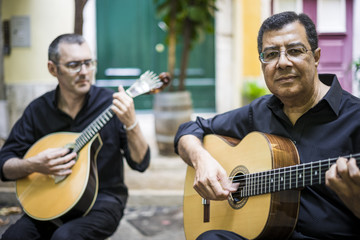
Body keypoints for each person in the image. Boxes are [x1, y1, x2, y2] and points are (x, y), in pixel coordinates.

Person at [174, 11, 360, 240]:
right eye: (271, 54)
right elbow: (189, 130)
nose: (282, 62)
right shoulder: (259, 111)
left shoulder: (355, 119)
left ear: (316, 57)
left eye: (294, 51)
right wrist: (201, 160)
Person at [0, 33, 151, 240]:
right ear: (53, 69)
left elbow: (141, 163)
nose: (85, 72)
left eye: (89, 63)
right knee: (14, 237)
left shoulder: (111, 104)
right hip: (50, 200)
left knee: (66, 237)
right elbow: (3, 165)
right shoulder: (38, 111)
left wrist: (131, 124)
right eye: (74, 65)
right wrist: (33, 165)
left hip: (102, 201)